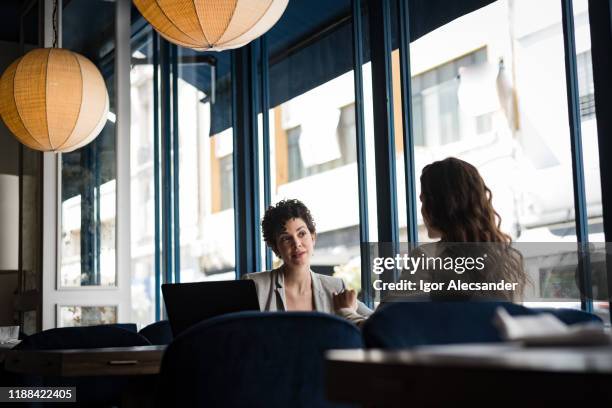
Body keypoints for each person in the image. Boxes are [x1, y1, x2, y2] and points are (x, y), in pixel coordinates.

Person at [405, 157, 528, 301]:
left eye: (424, 200)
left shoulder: (426, 257)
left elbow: (387, 318)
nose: (421, 210)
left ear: (439, 205)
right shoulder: (507, 260)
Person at [244, 199, 372, 325]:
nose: (296, 244)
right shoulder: (254, 286)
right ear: (275, 247)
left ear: (313, 237)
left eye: (301, 233)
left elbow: (379, 326)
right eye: (286, 238)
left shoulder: (335, 287)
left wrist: (348, 313)